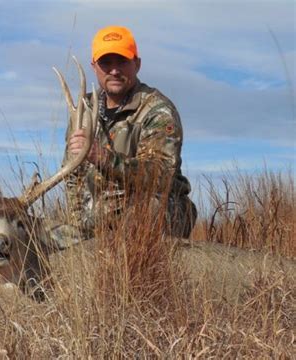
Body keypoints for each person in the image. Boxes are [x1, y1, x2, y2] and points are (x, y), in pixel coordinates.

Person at [60, 25, 197, 243]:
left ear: (137, 64)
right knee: (35, 234)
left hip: (155, 210)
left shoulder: (157, 110)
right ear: (94, 66)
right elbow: (72, 179)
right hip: (97, 219)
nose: (114, 70)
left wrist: (103, 158)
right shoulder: (83, 110)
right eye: (106, 63)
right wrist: (77, 227)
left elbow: (159, 175)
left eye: (122, 61)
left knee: (140, 217)